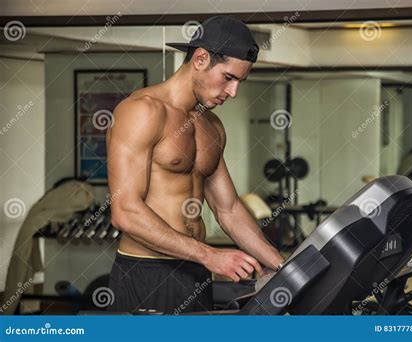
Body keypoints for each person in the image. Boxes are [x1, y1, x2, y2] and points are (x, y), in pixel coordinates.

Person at [106, 16, 284, 314]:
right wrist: (210, 255)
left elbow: (228, 209)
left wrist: (280, 265)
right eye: (228, 77)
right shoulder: (142, 111)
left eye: (240, 81)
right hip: (146, 273)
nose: (233, 92)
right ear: (200, 59)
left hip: (196, 274)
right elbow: (124, 212)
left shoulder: (211, 125)